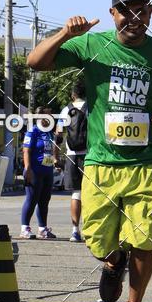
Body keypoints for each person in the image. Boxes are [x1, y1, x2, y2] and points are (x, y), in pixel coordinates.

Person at [27, 0, 152, 302]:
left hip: (145, 164)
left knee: (144, 240)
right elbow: (35, 62)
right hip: (101, 163)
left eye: (140, 11)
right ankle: (114, 261)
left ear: (150, 13)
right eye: (125, 11)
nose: (133, 18)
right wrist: (65, 34)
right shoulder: (91, 45)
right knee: (96, 238)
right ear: (112, 13)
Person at [56, 80, 88, 242]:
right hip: (90, 155)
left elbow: (58, 135)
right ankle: (90, 230)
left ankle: (75, 231)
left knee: (76, 193)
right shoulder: (92, 108)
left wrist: (55, 156)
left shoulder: (66, 110)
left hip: (72, 155)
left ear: (73, 95)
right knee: (92, 193)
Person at [20, 107, 58, 240]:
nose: (51, 118)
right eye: (48, 115)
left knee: (44, 200)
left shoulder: (49, 132)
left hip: (47, 170)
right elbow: (26, 151)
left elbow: (52, 149)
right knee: (32, 199)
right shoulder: (33, 131)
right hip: (34, 170)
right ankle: (25, 228)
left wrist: (55, 160)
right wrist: (28, 169)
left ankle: (42, 229)